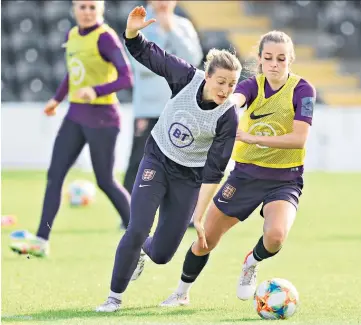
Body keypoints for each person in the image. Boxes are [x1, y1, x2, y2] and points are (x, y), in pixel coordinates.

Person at [95, 6, 241, 312]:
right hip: (157, 160)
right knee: (137, 229)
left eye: (232, 84)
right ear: (207, 76)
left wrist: (199, 216)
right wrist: (133, 32)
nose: (226, 90)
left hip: (189, 178)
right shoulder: (186, 77)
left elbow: (214, 171)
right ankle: (113, 298)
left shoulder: (228, 117)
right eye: (221, 82)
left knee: (161, 254)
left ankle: (142, 252)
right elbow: (148, 53)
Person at [159, 30, 316, 307]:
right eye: (268, 58)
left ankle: (251, 262)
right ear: (259, 60)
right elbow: (235, 100)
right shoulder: (252, 86)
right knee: (205, 239)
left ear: (290, 60)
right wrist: (225, 104)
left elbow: (299, 138)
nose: (274, 64)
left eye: (281, 58)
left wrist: (253, 137)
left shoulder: (303, 90)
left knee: (276, 236)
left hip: (285, 179)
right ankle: (181, 292)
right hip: (244, 176)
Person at [9, 0, 133, 257]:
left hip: (103, 118)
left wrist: (96, 91)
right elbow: (72, 73)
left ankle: (139, 229)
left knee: (105, 181)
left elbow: (126, 77)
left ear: (100, 9)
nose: (86, 11)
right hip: (75, 115)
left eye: (91, 7)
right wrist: (57, 98)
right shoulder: (73, 35)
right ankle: (41, 240)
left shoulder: (106, 38)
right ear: (74, 8)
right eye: (82, 6)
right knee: (54, 175)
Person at [122, 0, 203, 195]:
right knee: (139, 161)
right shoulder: (140, 23)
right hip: (148, 108)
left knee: (182, 161)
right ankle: (128, 212)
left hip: (178, 106)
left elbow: (193, 59)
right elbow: (139, 64)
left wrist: (171, 30)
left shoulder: (183, 25)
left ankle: (184, 212)